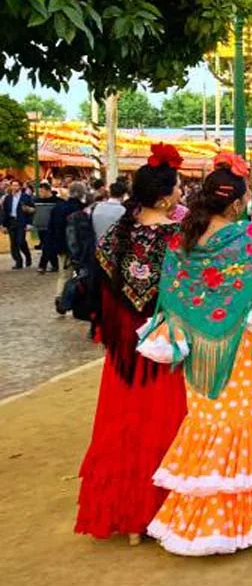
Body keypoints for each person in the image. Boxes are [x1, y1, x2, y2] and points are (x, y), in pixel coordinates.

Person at [136, 154, 252, 555]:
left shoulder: (183, 238)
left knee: (206, 419)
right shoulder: (251, 240)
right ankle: (246, 519)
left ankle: (201, 522)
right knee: (247, 420)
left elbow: (170, 289)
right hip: (245, 345)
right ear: (237, 203)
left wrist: (197, 314)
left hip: (198, 346)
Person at [75, 145, 188, 544]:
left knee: (122, 429)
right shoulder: (180, 240)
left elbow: (100, 302)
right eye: (177, 187)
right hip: (165, 351)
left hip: (123, 357)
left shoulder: (113, 239)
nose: (181, 193)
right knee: (166, 426)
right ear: (163, 196)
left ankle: (126, 516)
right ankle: (161, 511)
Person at [2, 179, 35, 269]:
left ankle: (27, 256)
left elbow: (32, 211)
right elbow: (4, 212)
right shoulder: (8, 198)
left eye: (16, 185)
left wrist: (29, 223)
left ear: (20, 187)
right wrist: (3, 225)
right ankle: (18, 261)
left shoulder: (25, 197)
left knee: (20, 241)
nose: (14, 187)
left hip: (21, 221)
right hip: (11, 222)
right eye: (13, 185)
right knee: (13, 243)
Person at [33, 181, 61, 272]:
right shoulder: (37, 201)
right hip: (41, 227)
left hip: (52, 227)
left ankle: (42, 265)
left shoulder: (57, 201)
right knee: (48, 246)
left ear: (48, 191)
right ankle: (55, 265)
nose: (40, 193)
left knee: (47, 246)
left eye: (42, 191)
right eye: (39, 191)